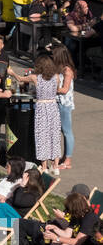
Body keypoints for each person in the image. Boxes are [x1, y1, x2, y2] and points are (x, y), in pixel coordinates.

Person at [30, 52, 62, 176]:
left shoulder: (35, 78)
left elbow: (21, 79)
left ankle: (44, 166)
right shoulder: (57, 77)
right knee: (54, 135)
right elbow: (56, 89)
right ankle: (56, 165)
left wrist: (13, 74)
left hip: (42, 108)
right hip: (53, 106)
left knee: (42, 136)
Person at [51, 42, 76, 171]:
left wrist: (50, 88)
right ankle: (64, 157)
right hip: (58, 102)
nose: (52, 57)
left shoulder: (67, 70)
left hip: (64, 104)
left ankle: (68, 160)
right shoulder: (59, 68)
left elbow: (65, 89)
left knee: (67, 132)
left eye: (54, 55)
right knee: (62, 131)